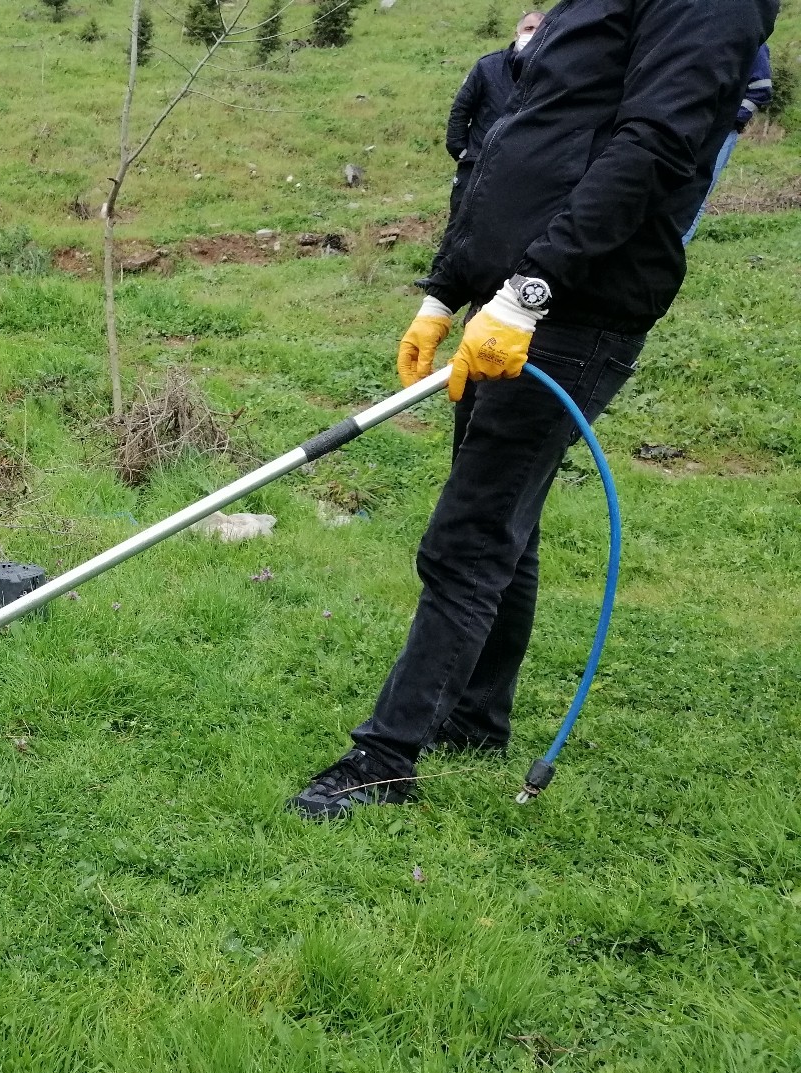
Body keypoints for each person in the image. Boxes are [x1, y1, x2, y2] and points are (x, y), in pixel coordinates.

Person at [288, 0, 778, 820]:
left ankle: (383, 760)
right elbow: (518, 139)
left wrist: (532, 289)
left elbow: (653, 146)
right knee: (500, 522)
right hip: (502, 301)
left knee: (472, 534)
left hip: (573, 307)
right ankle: (476, 720)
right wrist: (447, 291)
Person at [445, 10, 545, 218]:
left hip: (523, 172)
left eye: (540, 30)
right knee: (461, 227)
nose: (533, 34)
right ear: (516, 34)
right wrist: (461, 150)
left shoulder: (552, 74)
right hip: (478, 165)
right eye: (529, 28)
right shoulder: (488, 66)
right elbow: (461, 109)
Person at [682, 44, 774, 244]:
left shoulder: (754, 42)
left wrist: (730, 119)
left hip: (722, 133)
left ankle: (675, 249)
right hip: (694, 127)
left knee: (697, 195)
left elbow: (762, 90)